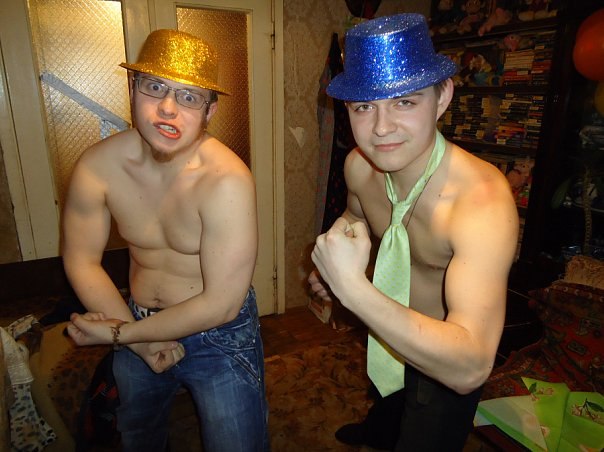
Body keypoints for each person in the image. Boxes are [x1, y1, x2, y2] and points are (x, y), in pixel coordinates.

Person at [309, 14, 518, 451]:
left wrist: (350, 288)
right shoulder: (358, 167)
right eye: (364, 106)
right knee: (387, 405)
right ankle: (380, 428)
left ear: (443, 97)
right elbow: (354, 216)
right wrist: (335, 255)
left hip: (441, 358)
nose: (381, 127)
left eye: (404, 101)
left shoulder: (481, 204)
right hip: (385, 333)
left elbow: (470, 366)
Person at [62, 29, 268, 452]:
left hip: (218, 335)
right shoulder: (97, 167)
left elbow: (223, 303)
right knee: (138, 438)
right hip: (133, 317)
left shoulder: (226, 180)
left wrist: (120, 336)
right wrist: (137, 336)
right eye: (155, 87)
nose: (168, 108)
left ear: (210, 111)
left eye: (189, 97)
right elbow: (82, 260)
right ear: (132, 88)